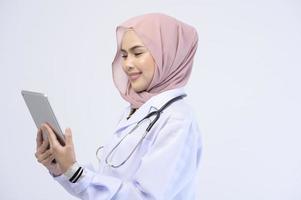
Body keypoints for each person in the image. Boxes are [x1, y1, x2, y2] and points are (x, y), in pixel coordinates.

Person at [35, 12, 202, 200]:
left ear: (168, 54)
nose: (127, 64)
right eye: (123, 55)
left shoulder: (177, 120)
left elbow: (145, 197)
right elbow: (107, 187)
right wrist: (62, 168)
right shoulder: (136, 110)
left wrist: (74, 172)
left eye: (137, 53)